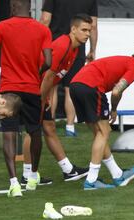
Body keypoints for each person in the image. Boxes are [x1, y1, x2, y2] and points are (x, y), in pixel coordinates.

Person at [0, 0, 52, 197]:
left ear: (13, 7)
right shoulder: (42, 30)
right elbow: (48, 61)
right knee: (34, 131)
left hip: (9, 88)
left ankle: (14, 182)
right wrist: (35, 73)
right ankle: (32, 176)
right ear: (30, 7)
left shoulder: (2, 26)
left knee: (9, 133)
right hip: (32, 88)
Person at [69, 42, 134, 190]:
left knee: (99, 134)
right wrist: (114, 108)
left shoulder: (126, 61)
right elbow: (117, 91)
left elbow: (117, 90)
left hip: (75, 85)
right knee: (105, 132)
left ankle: (117, 175)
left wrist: (113, 109)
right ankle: (91, 181)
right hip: (91, 86)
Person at [21, 14, 93, 188]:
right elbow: (47, 77)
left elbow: (53, 79)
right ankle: (27, 174)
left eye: (89, 31)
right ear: (73, 29)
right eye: (84, 30)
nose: (87, 34)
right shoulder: (62, 46)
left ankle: (68, 170)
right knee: (32, 131)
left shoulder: (74, 49)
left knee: (49, 127)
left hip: (40, 90)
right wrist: (41, 98)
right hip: (33, 89)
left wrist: (47, 97)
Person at [40, 0, 98, 136]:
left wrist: (40, 42)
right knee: (69, 88)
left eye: (86, 30)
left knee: (52, 88)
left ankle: (48, 122)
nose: (88, 32)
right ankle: (69, 126)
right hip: (67, 46)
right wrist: (92, 49)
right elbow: (93, 25)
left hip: (57, 42)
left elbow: (45, 19)